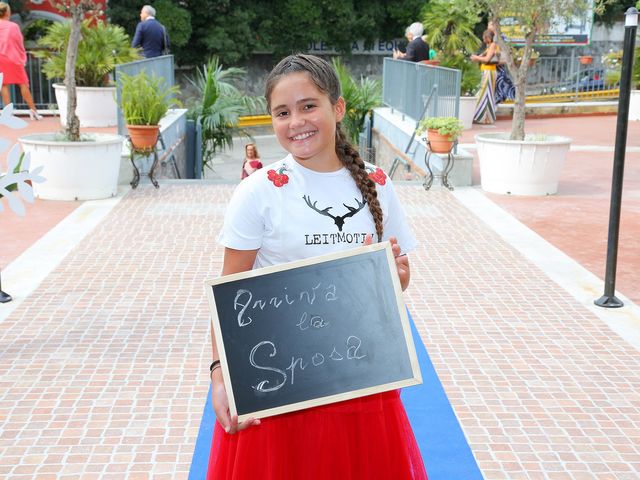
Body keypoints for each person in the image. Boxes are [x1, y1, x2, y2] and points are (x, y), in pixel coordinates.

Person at [207, 54, 427, 479]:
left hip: (359, 384)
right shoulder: (258, 192)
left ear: (337, 108)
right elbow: (229, 292)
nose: (297, 122)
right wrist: (219, 375)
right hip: (277, 387)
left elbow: (399, 275)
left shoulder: (378, 183)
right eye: (282, 112)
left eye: (309, 106)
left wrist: (396, 280)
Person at [0, 2, 42, 120]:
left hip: (0, 59)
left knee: (4, 86)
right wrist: (22, 57)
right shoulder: (13, 26)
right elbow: (18, 43)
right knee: (23, 84)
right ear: (7, 12)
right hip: (13, 58)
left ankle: (8, 113)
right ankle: (33, 111)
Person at [470, 29, 499, 124]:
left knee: (484, 93)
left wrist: (476, 58)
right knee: (485, 93)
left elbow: (487, 59)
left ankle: (480, 116)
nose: (483, 39)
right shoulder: (490, 46)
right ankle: (485, 117)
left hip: (489, 71)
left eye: (484, 37)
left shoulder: (493, 45)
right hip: (487, 71)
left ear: (488, 37)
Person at [487, 22, 516, 104]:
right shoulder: (490, 37)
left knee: (500, 82)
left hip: (498, 66)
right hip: (491, 67)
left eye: (491, 24)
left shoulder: (502, 38)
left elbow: (509, 53)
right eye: (488, 25)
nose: (489, 26)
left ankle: (499, 101)